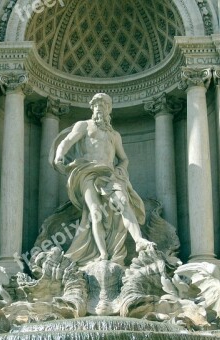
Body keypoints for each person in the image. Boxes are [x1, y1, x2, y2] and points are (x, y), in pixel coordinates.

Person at [52, 93, 153, 266]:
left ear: (109, 110)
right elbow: (67, 140)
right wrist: (59, 155)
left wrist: (121, 169)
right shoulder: (84, 126)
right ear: (92, 108)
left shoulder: (114, 135)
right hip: (87, 172)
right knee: (95, 211)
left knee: (123, 202)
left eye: (104, 105)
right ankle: (103, 254)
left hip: (109, 174)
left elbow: (124, 159)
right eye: (97, 105)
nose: (100, 108)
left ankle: (139, 241)